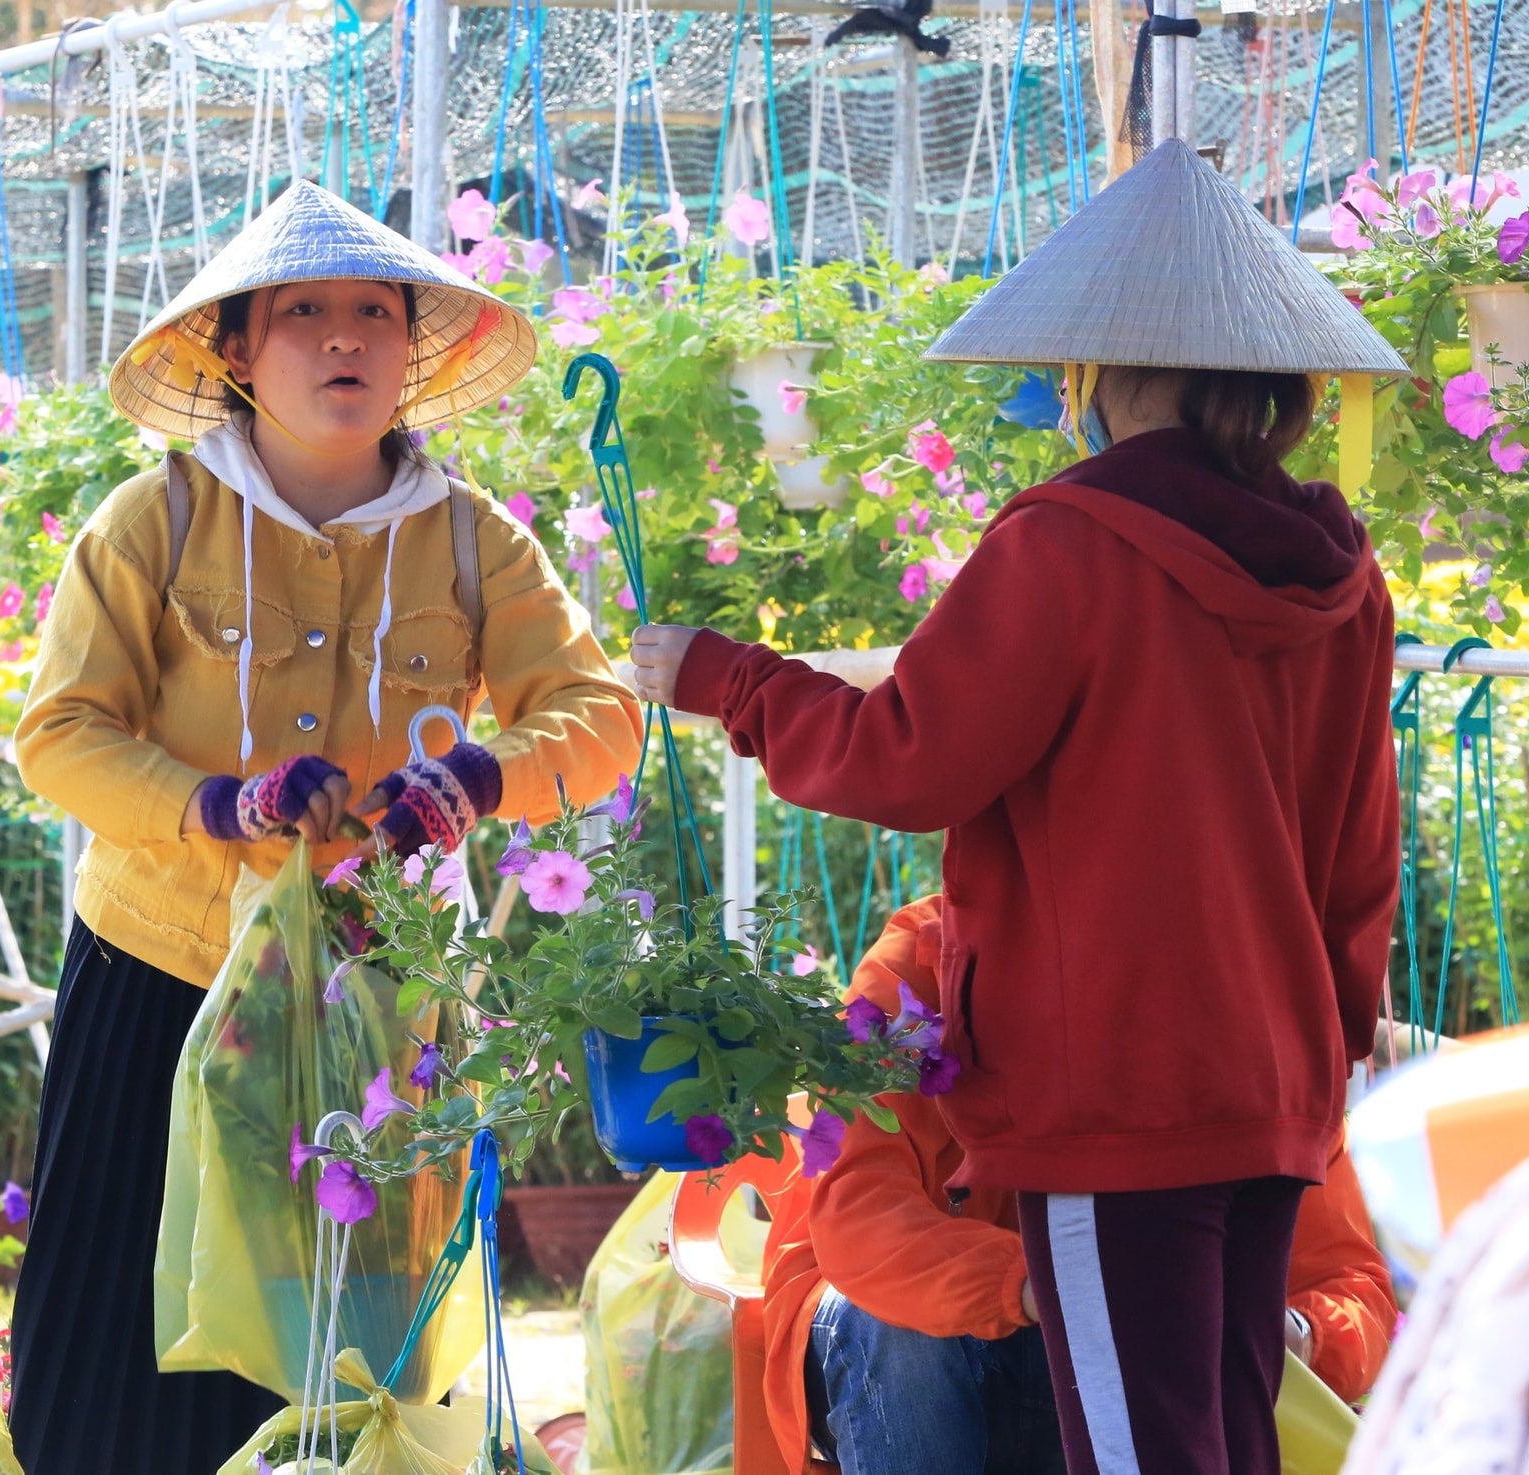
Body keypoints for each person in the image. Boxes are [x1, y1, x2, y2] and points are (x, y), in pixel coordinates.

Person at [632, 139, 1409, 1473]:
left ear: (1099, 368)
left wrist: (732, 680)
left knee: (1137, 1447)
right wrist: (1322, 1052)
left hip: (1116, 1092)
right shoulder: (1343, 574)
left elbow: (907, 754)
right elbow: (1359, 855)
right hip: (1272, 1094)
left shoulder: (1067, 545)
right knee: (1222, 1436)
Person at [9, 181, 642, 1475]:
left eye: (373, 312)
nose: (344, 338)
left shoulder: (475, 544)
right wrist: (212, 804)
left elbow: (600, 714)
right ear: (234, 351)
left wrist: (475, 777)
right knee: (114, 1347)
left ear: (416, 349)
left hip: (370, 996)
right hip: (161, 977)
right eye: (304, 312)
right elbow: (59, 730)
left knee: (345, 1354)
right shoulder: (153, 520)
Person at [762, 897, 1397, 1475]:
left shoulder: (1246, 1020)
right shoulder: (917, 970)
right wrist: (1050, 1285)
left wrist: (1294, 1331)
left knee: (1145, 1357)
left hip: (1115, 1355)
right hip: (909, 1337)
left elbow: (1352, 1289)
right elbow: (858, 1219)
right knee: (900, 1333)